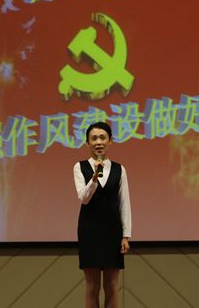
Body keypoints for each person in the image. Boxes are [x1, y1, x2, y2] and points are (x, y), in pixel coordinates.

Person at [73, 122, 131, 308]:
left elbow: (124, 202)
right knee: (92, 286)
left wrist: (126, 235)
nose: (98, 142)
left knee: (112, 286)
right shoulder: (80, 167)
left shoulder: (119, 169)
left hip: (112, 230)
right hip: (90, 229)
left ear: (110, 141)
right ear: (88, 143)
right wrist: (94, 178)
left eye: (102, 138)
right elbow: (84, 198)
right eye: (94, 138)